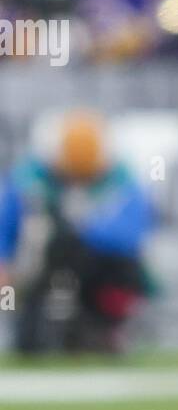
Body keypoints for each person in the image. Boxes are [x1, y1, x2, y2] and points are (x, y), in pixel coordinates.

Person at [0, 111, 155, 353]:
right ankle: (43, 325)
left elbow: (128, 239)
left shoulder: (121, 183)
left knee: (113, 265)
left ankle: (105, 325)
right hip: (42, 269)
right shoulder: (29, 182)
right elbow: (6, 226)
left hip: (96, 269)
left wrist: (78, 230)